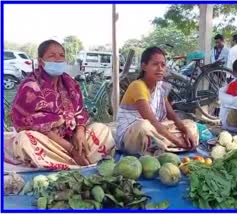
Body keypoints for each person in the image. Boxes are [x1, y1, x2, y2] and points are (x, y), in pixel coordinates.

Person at [10, 40, 115, 170]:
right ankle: (78, 160)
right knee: (24, 140)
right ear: (41, 61)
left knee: (101, 130)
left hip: (72, 137)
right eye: (52, 56)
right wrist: (70, 149)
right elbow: (28, 123)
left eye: (61, 55)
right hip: (48, 143)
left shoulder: (70, 83)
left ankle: (71, 160)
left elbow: (80, 114)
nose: (58, 60)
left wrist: (80, 133)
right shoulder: (31, 86)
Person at [115, 46, 199, 155]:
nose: (160, 68)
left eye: (163, 65)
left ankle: (163, 145)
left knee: (191, 125)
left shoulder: (159, 87)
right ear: (144, 66)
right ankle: (173, 144)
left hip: (155, 130)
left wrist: (186, 130)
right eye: (155, 64)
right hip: (132, 135)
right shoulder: (137, 86)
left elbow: (172, 115)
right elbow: (152, 122)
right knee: (144, 127)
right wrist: (178, 141)